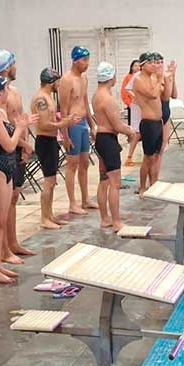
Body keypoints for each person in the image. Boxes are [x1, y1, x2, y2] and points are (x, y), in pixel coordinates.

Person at [0, 73, 34, 285]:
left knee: (0, 222)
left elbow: (12, 141)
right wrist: (20, 127)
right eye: (5, 89)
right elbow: (9, 145)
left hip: (8, 167)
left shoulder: (0, 112)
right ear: (0, 92)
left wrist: (24, 141)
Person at [0, 50, 34, 264]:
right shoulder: (0, 96)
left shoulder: (14, 91)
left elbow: (21, 119)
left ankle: (13, 243)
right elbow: (6, 128)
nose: (16, 67)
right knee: (4, 204)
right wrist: (23, 144)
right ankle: (4, 249)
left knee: (14, 197)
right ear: (7, 67)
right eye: (14, 63)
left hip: (19, 146)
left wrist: (26, 143)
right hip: (8, 149)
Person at [31, 68, 80, 230]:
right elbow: (44, 124)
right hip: (44, 141)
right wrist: (64, 123)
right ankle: (44, 218)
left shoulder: (47, 97)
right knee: (48, 181)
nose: (59, 84)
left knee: (52, 182)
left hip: (51, 141)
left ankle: (50, 215)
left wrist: (64, 121)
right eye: (57, 81)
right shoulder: (41, 99)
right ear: (51, 82)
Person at [92, 62, 138, 231]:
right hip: (108, 141)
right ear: (111, 77)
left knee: (104, 180)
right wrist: (131, 131)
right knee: (115, 183)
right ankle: (116, 222)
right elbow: (117, 125)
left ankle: (105, 219)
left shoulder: (96, 95)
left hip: (100, 139)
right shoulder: (108, 99)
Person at [58, 46, 98, 215]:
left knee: (85, 162)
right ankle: (72, 203)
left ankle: (85, 199)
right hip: (72, 125)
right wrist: (65, 136)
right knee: (72, 164)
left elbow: (85, 103)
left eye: (88, 60)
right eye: (84, 60)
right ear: (75, 61)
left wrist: (92, 125)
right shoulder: (66, 80)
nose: (87, 63)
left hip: (82, 124)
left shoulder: (84, 78)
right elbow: (63, 110)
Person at [133, 52, 166, 194]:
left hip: (158, 122)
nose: (153, 65)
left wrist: (167, 78)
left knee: (156, 157)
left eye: (154, 62)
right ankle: (142, 187)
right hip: (148, 124)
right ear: (142, 65)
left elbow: (165, 94)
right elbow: (152, 94)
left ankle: (153, 185)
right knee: (148, 158)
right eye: (150, 63)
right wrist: (160, 78)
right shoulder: (138, 80)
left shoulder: (153, 78)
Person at [122, 59, 142, 166]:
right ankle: (129, 156)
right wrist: (130, 103)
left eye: (139, 65)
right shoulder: (132, 77)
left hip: (146, 109)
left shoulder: (148, 76)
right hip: (135, 107)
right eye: (135, 65)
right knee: (136, 132)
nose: (138, 67)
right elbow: (126, 90)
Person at [159, 58, 178, 155]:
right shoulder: (151, 79)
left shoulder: (165, 76)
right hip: (155, 116)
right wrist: (167, 80)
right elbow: (165, 96)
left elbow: (174, 95)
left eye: (161, 62)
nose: (159, 65)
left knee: (164, 146)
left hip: (166, 112)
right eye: (157, 62)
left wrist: (172, 78)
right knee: (155, 150)